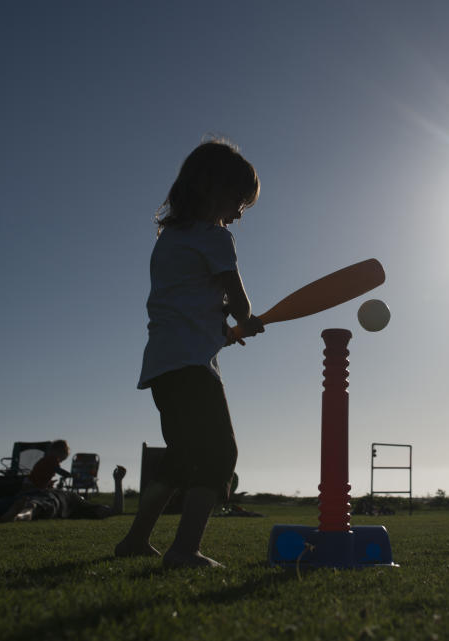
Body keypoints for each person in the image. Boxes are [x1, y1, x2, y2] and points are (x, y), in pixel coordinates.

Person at [114, 139, 265, 570]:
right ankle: (184, 550)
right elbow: (239, 303)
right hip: (192, 367)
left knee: (181, 458)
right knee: (220, 453)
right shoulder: (215, 236)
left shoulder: (169, 240)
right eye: (239, 201)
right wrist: (245, 319)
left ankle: (135, 539)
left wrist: (221, 327)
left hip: (163, 365)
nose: (239, 214)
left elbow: (187, 300)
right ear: (214, 190)